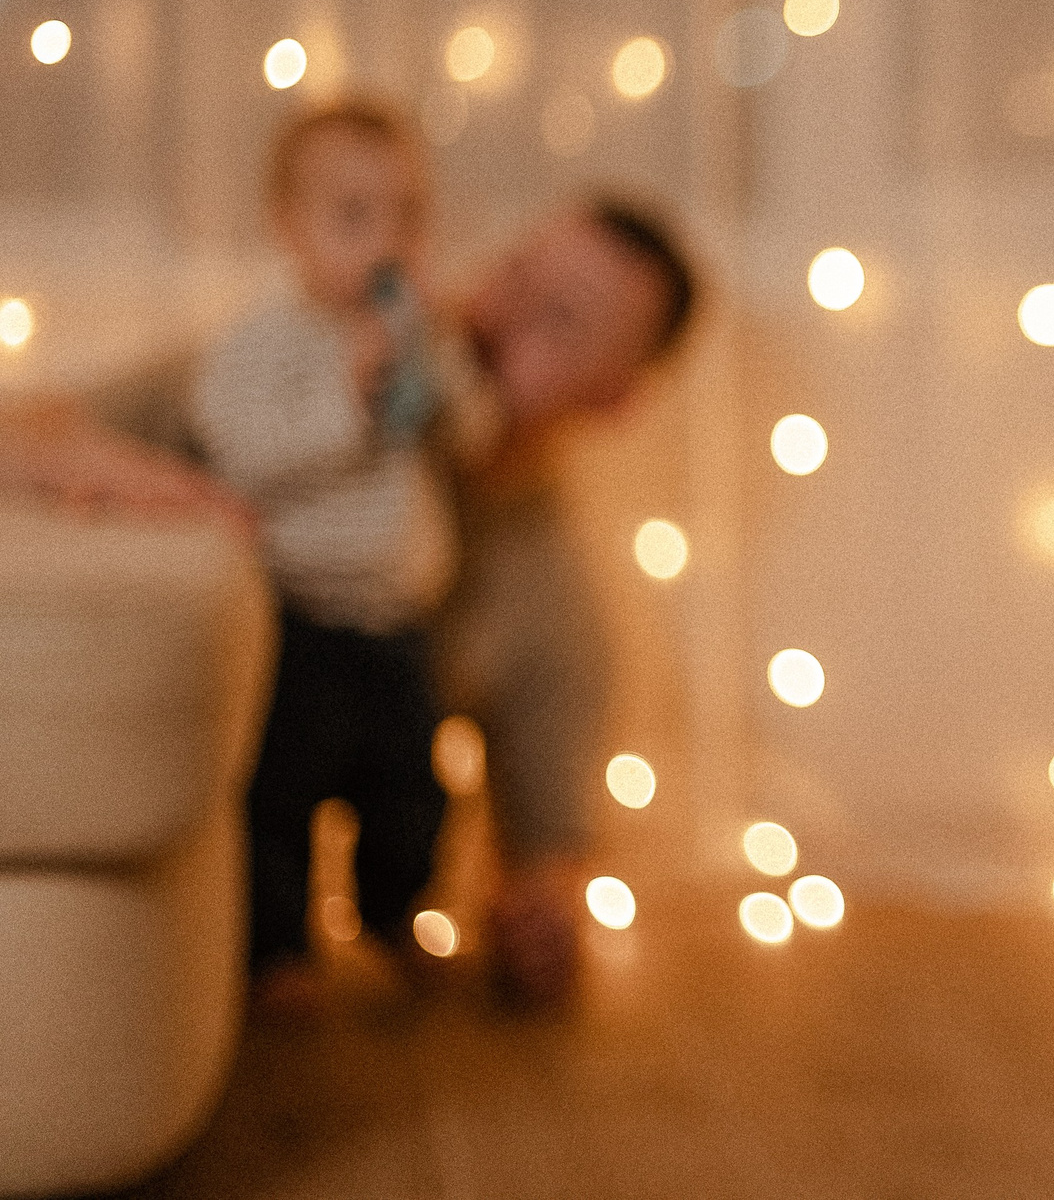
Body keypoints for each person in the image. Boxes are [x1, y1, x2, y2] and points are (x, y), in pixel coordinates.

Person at [0, 187, 695, 1007]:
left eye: (559, 319)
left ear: (612, 398)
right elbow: (30, 425)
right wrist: (129, 476)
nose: (495, 311)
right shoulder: (307, 380)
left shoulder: (553, 614)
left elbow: (547, 861)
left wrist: (540, 920)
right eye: (513, 270)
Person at [192, 101, 495, 999]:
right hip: (301, 611)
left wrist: (447, 375)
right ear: (290, 228)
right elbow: (241, 456)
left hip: (398, 617)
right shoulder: (263, 344)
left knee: (413, 786)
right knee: (277, 792)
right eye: (355, 216)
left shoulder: (416, 338)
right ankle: (279, 947)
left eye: (408, 214)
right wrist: (348, 396)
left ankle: (403, 914)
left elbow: (469, 441)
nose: (388, 240)